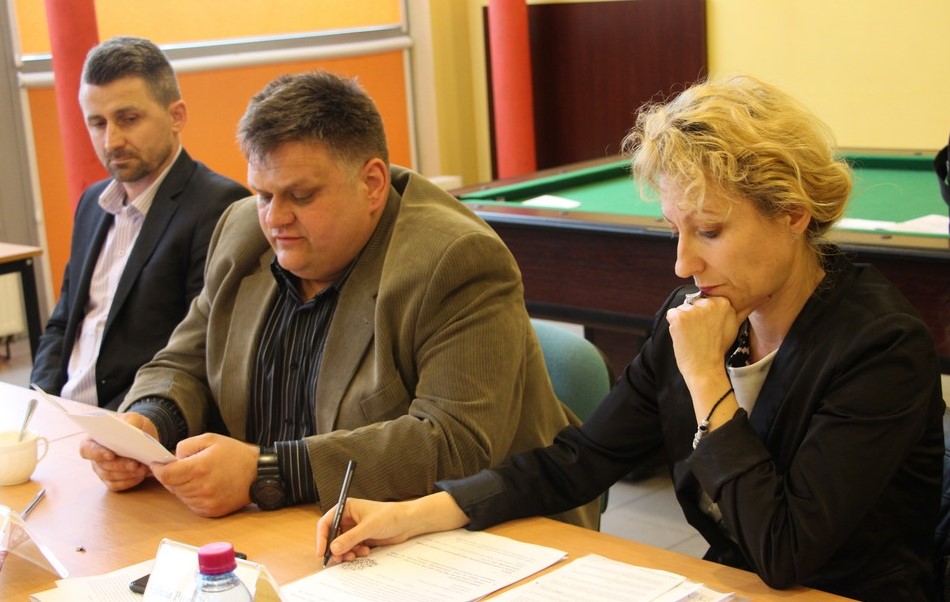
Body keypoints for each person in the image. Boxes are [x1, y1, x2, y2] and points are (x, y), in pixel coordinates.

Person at [316, 75, 946, 601]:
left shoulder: (880, 347)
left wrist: (707, 381)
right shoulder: (696, 315)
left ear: (792, 214)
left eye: (710, 231)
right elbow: (580, 460)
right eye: (675, 229)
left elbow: (786, 552)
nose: (683, 264)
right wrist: (413, 514)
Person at [79, 70, 599, 529]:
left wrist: (267, 472)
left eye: (301, 196)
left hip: (480, 534)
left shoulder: (455, 259)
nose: (274, 219)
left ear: (371, 184)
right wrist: (149, 422)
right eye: (263, 194)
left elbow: (453, 443)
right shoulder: (241, 231)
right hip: (294, 531)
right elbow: (185, 362)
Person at [30, 36, 249, 410]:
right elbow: (63, 323)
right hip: (64, 415)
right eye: (97, 123)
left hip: (140, 418)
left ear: (176, 116)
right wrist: (40, 402)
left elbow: (199, 352)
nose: (111, 141)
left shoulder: (219, 206)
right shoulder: (92, 204)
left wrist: (118, 424)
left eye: (128, 119)